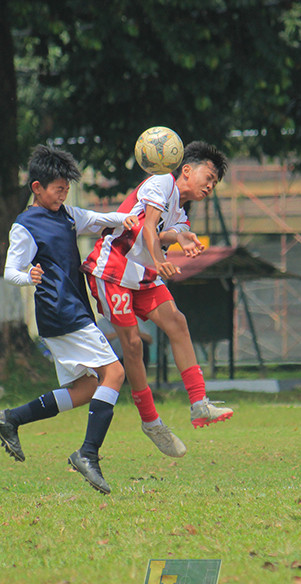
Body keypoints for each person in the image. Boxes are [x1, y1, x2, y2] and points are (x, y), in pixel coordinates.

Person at [0, 145, 140, 495]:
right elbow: (10, 270)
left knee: (85, 389)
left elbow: (98, 218)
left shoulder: (67, 214)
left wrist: (125, 218)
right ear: (36, 187)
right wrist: (30, 277)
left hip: (69, 312)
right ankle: (87, 454)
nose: (63, 192)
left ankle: (11, 419)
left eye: (66, 187)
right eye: (57, 187)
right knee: (114, 373)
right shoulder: (24, 226)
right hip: (61, 310)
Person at [82, 140, 233, 458]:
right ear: (187, 170)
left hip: (141, 274)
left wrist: (181, 237)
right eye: (209, 177)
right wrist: (159, 257)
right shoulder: (162, 181)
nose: (211, 185)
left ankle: (199, 404)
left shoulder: (181, 213)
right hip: (112, 269)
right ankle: (151, 422)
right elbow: (148, 227)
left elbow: (164, 232)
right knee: (133, 345)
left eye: (215, 183)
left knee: (177, 322)